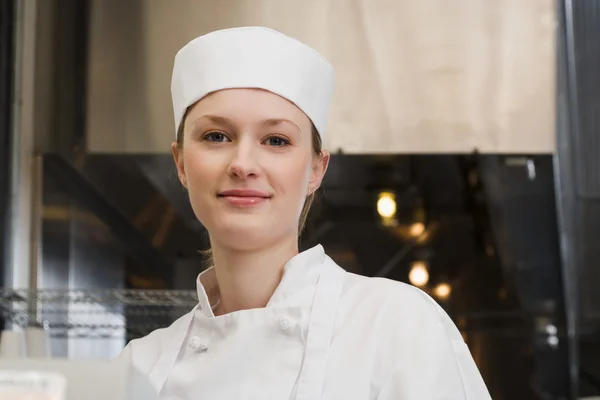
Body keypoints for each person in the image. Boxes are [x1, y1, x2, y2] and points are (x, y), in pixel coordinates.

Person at [117, 26, 492, 399]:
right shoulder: (139, 368)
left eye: (276, 140)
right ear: (181, 163)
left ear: (316, 170)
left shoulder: (396, 324)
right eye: (217, 136)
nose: (242, 164)